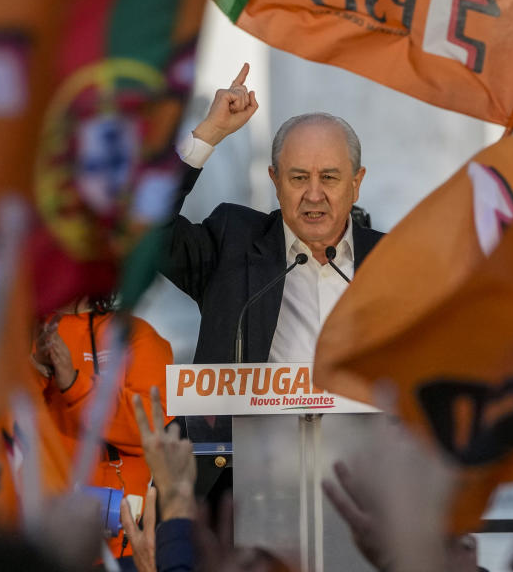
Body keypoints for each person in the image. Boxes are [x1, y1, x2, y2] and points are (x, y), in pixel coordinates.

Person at [164, 63, 384, 366]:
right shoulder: (229, 246)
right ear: (275, 181)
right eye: (298, 178)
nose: (314, 194)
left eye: (330, 178)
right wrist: (208, 134)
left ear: (356, 184)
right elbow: (146, 226)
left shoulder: (394, 261)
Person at [29, 296, 173, 564]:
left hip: (117, 546)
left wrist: (74, 384)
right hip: (27, 542)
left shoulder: (135, 335)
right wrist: (32, 372)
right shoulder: (12, 335)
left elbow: (150, 427)